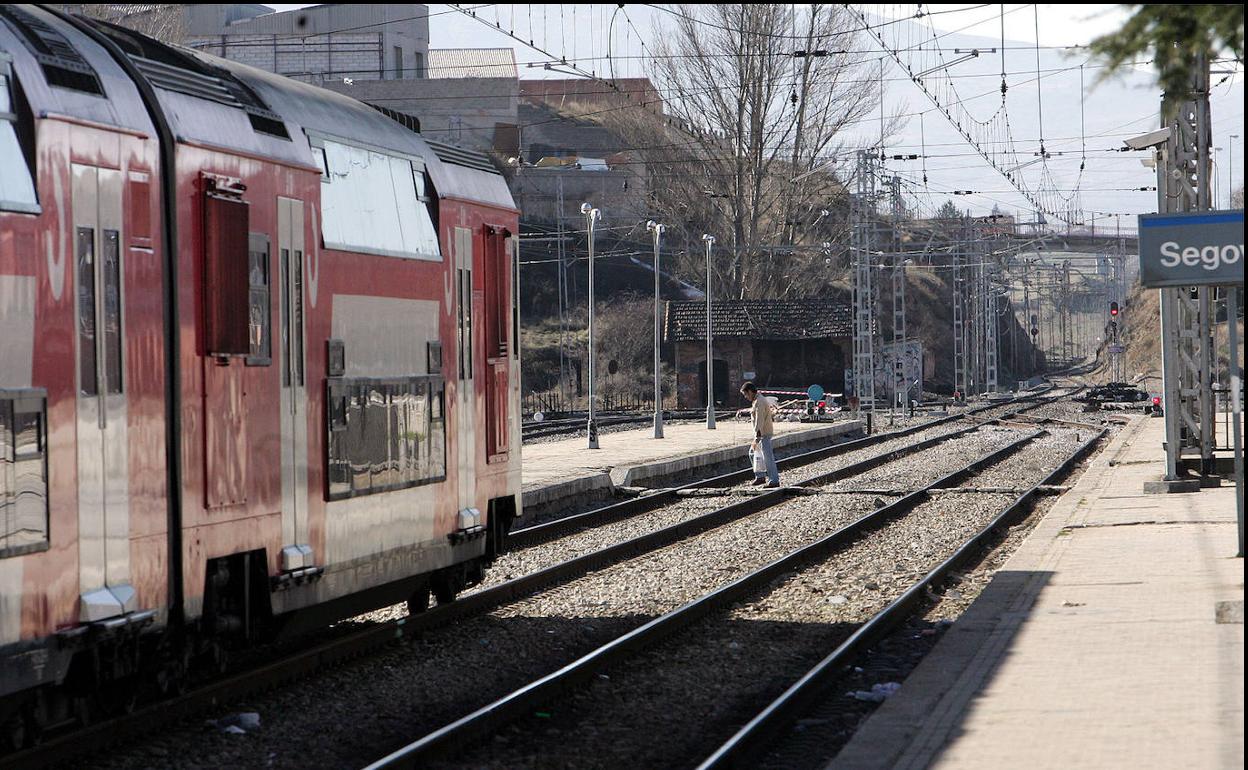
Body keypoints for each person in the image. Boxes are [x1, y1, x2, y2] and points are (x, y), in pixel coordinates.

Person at [740, 381, 780, 488]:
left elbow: (759, 420)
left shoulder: (759, 401)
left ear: (750, 391)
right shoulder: (757, 400)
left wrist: (757, 437)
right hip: (762, 433)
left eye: (745, 394)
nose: (745, 397)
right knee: (753, 453)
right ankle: (760, 476)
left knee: (767, 457)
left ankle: (774, 480)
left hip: (763, 433)